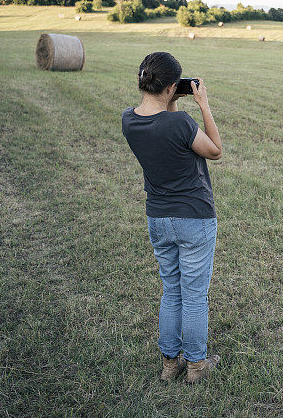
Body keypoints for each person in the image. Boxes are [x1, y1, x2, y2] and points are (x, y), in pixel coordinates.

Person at [121, 52, 224, 384]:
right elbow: (214, 150)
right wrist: (204, 105)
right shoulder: (180, 123)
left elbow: (164, 126)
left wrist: (171, 100)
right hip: (193, 217)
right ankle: (196, 365)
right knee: (194, 294)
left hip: (158, 218)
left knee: (172, 291)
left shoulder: (129, 120)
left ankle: (169, 364)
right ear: (171, 87)